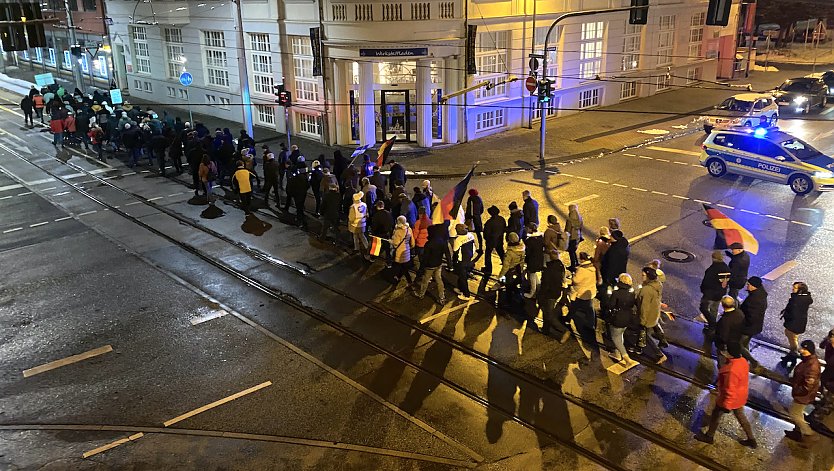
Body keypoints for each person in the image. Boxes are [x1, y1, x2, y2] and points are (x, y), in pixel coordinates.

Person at [694, 342, 758, 448]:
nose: (724, 352)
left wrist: (726, 406)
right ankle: (751, 439)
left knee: (716, 416)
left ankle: (709, 436)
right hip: (739, 396)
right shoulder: (742, 361)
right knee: (741, 416)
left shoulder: (730, 370)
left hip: (727, 400)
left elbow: (729, 390)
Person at [785, 340, 822, 446]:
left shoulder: (812, 366)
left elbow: (808, 386)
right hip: (802, 393)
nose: (800, 350)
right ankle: (797, 432)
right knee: (798, 414)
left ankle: (809, 433)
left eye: (803, 349)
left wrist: (797, 390)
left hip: (803, 395)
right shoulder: (807, 360)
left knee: (794, 414)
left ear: (808, 350)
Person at [636, 267, 667, 364]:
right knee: (655, 325)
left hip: (648, 315)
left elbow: (644, 307)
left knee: (645, 335)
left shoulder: (646, 290)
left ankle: (659, 355)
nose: (642, 276)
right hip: (655, 312)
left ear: (648, 276)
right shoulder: (658, 284)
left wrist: (642, 320)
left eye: (643, 275)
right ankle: (663, 341)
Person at [698, 251, 731, 334]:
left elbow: (706, 282)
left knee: (703, 308)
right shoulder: (726, 268)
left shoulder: (712, 269)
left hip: (710, 294)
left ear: (714, 258)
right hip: (720, 293)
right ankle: (712, 326)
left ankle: (712, 324)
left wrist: (703, 290)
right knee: (714, 309)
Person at [607, 273, 637, 365]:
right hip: (627, 318)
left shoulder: (616, 293)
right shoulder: (632, 293)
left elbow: (611, 305)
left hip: (617, 318)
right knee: (620, 336)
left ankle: (626, 358)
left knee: (615, 338)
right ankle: (617, 354)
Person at [538, 257, 570, 343]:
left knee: (549, 314)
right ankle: (545, 329)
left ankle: (564, 330)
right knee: (546, 310)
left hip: (549, 294)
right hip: (556, 292)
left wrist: (540, 296)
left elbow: (545, 285)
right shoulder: (560, 266)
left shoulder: (547, 270)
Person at [413, 225, 447, 305]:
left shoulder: (429, 244)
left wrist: (421, 268)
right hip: (438, 264)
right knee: (439, 280)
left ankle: (421, 294)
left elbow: (425, 258)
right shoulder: (442, 241)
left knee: (425, 281)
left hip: (430, 266)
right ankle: (442, 297)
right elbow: (446, 252)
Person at [780, 282, 813, 365]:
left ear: (800, 290)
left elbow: (792, 313)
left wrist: (786, 316)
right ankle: (791, 355)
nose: (792, 289)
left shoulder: (795, 300)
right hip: (800, 323)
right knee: (793, 339)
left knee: (792, 341)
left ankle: (793, 357)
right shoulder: (805, 298)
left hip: (793, 324)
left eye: (794, 288)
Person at [739, 276, 767, 370]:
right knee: (744, 343)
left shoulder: (755, 299)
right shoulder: (759, 294)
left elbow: (751, 316)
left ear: (754, 286)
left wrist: (741, 320)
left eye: (748, 284)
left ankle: (753, 361)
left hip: (748, 327)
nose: (747, 286)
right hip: (753, 326)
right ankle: (745, 360)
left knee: (739, 344)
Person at [570, 252, 597, 347]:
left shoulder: (582, 270)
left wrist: (573, 275)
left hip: (581, 293)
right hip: (590, 292)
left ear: (582, 259)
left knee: (574, 306)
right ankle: (591, 324)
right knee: (590, 309)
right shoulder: (592, 267)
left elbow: (576, 280)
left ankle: (569, 317)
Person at [811, 330, 834, 424]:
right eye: (831, 336)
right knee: (825, 395)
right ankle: (822, 405)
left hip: (832, 380)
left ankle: (818, 418)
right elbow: (822, 346)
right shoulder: (829, 344)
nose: (831, 339)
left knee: (830, 399)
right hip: (828, 375)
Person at [714, 295, 744, 365]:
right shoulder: (739, 313)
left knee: (723, 364)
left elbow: (723, 337)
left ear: (723, 305)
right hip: (737, 344)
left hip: (727, 348)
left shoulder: (725, 320)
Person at [453, 224, 476, 301]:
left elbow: (455, 252)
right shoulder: (470, 235)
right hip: (470, 259)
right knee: (463, 276)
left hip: (462, 262)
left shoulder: (458, 240)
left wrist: (454, 263)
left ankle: (466, 295)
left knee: (463, 278)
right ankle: (460, 289)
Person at [390, 216, 415, 285]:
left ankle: (408, 281)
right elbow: (412, 243)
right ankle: (399, 277)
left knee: (401, 267)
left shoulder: (398, 231)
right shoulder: (409, 229)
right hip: (406, 251)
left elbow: (395, 243)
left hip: (399, 252)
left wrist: (391, 241)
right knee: (403, 266)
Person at [482, 205, 507, 275]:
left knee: (488, 254)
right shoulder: (502, 219)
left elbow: (486, 234)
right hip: (499, 239)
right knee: (501, 253)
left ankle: (488, 268)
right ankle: (506, 266)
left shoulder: (489, 222)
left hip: (491, 241)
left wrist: (487, 239)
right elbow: (504, 228)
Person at [286, 160, 310, 229]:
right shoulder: (305, 177)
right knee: (301, 206)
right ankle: (302, 217)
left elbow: (291, 187)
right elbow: (308, 185)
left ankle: (300, 221)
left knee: (299, 208)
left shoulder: (294, 178)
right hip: (303, 194)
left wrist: (292, 193)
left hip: (297, 195)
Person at [524, 223, 545, 299]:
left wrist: (525, 260)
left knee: (532, 275)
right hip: (540, 258)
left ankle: (532, 293)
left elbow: (528, 252)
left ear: (530, 229)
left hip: (532, 260)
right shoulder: (540, 238)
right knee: (534, 274)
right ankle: (538, 289)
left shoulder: (530, 240)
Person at [348, 191, 370, 261]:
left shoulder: (353, 207)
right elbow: (367, 213)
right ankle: (367, 247)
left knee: (355, 236)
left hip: (355, 224)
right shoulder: (364, 204)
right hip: (363, 223)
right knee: (362, 235)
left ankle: (356, 248)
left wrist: (350, 222)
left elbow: (351, 218)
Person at [412, 206, 431, 277]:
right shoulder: (430, 221)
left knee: (421, 259)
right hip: (428, 243)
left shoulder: (418, 223)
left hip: (420, 244)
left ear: (420, 214)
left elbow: (415, 234)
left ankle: (422, 272)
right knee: (426, 258)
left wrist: (412, 242)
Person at [565, 204, 583, 271]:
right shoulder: (579, 217)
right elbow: (581, 227)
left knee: (571, 251)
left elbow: (568, 229)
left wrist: (566, 236)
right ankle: (576, 262)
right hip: (577, 235)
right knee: (573, 250)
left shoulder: (570, 219)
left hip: (571, 236)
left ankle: (573, 265)